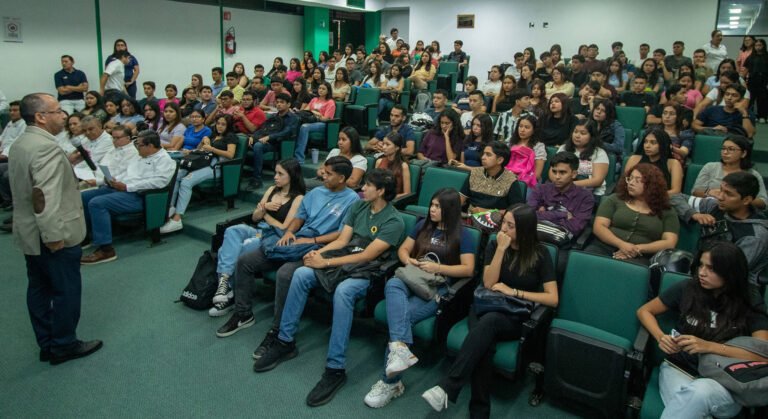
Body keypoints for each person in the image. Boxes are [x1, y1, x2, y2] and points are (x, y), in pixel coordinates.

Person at [252, 169, 404, 407]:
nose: (362, 189)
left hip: (367, 271)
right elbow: (342, 241)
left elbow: (367, 255)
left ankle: (335, 368)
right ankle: (285, 341)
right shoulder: (359, 207)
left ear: (381, 191)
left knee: (344, 292)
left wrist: (327, 261)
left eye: (367, 186)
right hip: (343, 257)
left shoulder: (394, 220)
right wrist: (317, 253)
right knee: (302, 273)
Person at [422, 203, 558, 417]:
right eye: (504, 223)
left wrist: (514, 291)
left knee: (489, 324)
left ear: (525, 229)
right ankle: (479, 412)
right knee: (484, 346)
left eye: (511, 226)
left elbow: (552, 298)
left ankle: (449, 386)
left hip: (514, 315)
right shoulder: (496, 245)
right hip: (485, 305)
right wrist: (502, 249)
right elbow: (488, 282)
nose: (504, 229)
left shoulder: (540, 254)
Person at [217, 155, 359, 339]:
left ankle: (277, 328)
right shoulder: (316, 192)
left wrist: (312, 241)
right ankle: (243, 313)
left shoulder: (352, 200)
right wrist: (290, 232)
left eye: (329, 174)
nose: (323, 176)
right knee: (245, 261)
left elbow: (340, 235)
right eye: (324, 172)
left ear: (341, 178)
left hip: (321, 245)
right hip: (297, 238)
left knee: (285, 273)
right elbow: (300, 217)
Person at [9, 92, 103, 364]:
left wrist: (68, 163)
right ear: (40, 116)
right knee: (65, 290)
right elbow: (44, 197)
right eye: (57, 111)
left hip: (29, 232)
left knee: (38, 288)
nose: (64, 116)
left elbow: (34, 183)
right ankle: (64, 345)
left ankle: (47, 343)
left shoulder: (22, 143)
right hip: (52, 233)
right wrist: (53, 237)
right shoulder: (46, 147)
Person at [364, 188, 475, 408]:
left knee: (403, 317)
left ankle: (390, 382)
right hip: (413, 277)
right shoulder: (423, 225)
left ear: (450, 210)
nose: (432, 210)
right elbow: (403, 250)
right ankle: (399, 353)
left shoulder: (464, 235)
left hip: (437, 288)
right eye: (432, 205)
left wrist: (438, 267)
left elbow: (468, 270)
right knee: (394, 282)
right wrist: (410, 261)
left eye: (437, 207)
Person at [636, 241, 768, 419]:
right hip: (679, 369)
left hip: (724, 380)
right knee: (691, 405)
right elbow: (645, 311)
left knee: (699, 392)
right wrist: (660, 337)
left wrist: (709, 346)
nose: (702, 273)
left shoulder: (749, 298)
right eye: (701, 265)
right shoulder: (687, 288)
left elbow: (762, 355)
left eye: (711, 269)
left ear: (730, 272)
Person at [210, 159, 306, 315]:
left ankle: (229, 292)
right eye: (275, 172)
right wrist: (264, 208)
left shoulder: (298, 198)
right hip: (258, 230)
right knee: (233, 230)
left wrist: (265, 212)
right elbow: (255, 218)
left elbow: (285, 228)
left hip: (273, 237)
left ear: (292, 176)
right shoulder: (272, 190)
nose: (275, 177)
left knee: (226, 251)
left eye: (280, 174)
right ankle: (224, 285)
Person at [80, 130, 176, 264]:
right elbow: (129, 174)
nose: (136, 147)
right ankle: (87, 236)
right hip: (124, 190)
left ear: (150, 146)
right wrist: (113, 181)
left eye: (140, 145)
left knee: (97, 203)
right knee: (84, 197)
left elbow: (158, 182)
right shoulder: (140, 156)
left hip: (141, 197)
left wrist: (127, 187)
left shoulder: (165, 160)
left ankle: (106, 249)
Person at [672, 171, 768, 289]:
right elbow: (674, 197)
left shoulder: (755, 235)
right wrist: (694, 214)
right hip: (701, 277)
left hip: (733, 291)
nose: (720, 197)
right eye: (720, 190)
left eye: (728, 194)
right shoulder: (715, 207)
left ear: (746, 200)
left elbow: (730, 273)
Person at [586, 163, 679, 265]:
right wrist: (622, 244)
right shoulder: (615, 199)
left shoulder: (667, 211)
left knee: (634, 270)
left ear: (652, 184)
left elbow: (669, 242)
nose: (631, 183)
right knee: (588, 259)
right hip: (604, 247)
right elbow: (599, 226)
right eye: (630, 178)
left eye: (637, 180)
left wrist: (637, 249)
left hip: (641, 255)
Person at [160, 114, 237, 234]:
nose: (220, 127)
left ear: (228, 126)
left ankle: (177, 218)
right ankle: (170, 207)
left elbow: (230, 155)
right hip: (204, 161)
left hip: (217, 167)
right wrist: (202, 142)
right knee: (176, 176)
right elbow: (200, 149)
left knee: (186, 182)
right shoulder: (213, 134)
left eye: (223, 124)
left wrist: (212, 149)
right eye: (218, 124)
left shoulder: (231, 136)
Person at [529, 151, 594, 238]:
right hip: (532, 237)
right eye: (554, 172)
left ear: (574, 174)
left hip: (560, 244)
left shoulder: (586, 197)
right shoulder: (541, 189)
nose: (557, 177)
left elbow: (575, 227)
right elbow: (528, 215)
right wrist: (562, 214)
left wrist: (543, 215)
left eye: (562, 173)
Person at [691, 135, 767, 209]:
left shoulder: (753, 174)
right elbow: (695, 191)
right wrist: (709, 192)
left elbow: (763, 202)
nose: (725, 152)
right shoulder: (710, 167)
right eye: (723, 148)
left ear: (743, 153)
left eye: (731, 149)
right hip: (710, 208)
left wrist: (737, 201)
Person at [247, 93, 298, 190]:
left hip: (280, 144)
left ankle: (256, 179)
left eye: (282, 102)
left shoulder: (293, 118)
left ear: (288, 104)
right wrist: (253, 136)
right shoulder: (273, 116)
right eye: (277, 102)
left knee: (258, 146)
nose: (278, 104)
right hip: (267, 141)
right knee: (247, 142)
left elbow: (286, 132)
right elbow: (262, 129)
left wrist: (269, 137)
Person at [461, 141, 525, 214]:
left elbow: (516, 210)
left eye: (488, 155)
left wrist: (486, 212)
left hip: (496, 222)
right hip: (470, 218)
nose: (483, 157)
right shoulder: (475, 173)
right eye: (483, 154)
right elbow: (461, 199)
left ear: (500, 160)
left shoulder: (511, 180)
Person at [558, 120, 610, 197]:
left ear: (592, 136)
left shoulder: (599, 153)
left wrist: (570, 185)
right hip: (562, 188)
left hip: (590, 193)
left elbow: (597, 180)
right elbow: (552, 171)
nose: (577, 136)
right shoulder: (564, 148)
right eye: (575, 132)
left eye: (583, 133)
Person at [625, 128, 683, 195]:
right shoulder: (633, 159)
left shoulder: (673, 164)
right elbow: (625, 183)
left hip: (660, 201)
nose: (647, 146)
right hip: (634, 198)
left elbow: (676, 191)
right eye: (645, 142)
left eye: (653, 142)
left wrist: (650, 197)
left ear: (662, 145)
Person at [294, 82, 336, 164]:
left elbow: (325, 119)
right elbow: (305, 111)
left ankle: (299, 158)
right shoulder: (314, 99)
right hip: (311, 120)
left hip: (323, 124)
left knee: (304, 127)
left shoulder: (330, 102)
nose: (320, 90)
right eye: (320, 88)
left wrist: (316, 113)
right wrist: (314, 112)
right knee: (296, 123)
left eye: (323, 89)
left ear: (328, 91)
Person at [507, 114, 547, 185]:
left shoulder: (538, 147)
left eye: (527, 127)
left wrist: (518, 179)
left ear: (534, 130)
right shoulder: (511, 142)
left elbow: (537, 175)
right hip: (508, 177)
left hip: (528, 182)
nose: (522, 130)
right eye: (520, 126)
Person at [374, 132, 411, 199]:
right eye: (383, 144)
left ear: (397, 148)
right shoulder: (379, 161)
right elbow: (374, 183)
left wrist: (388, 198)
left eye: (387, 144)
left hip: (393, 200)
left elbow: (407, 193)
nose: (384, 147)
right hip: (377, 197)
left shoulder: (403, 166)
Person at [743, 38, 767, 123]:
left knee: (763, 99)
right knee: (750, 99)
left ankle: (762, 116)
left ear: (763, 46)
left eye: (760, 45)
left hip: (764, 81)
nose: (758, 47)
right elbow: (745, 70)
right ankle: (750, 115)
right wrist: (742, 79)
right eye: (756, 45)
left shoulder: (766, 56)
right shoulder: (750, 57)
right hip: (752, 81)